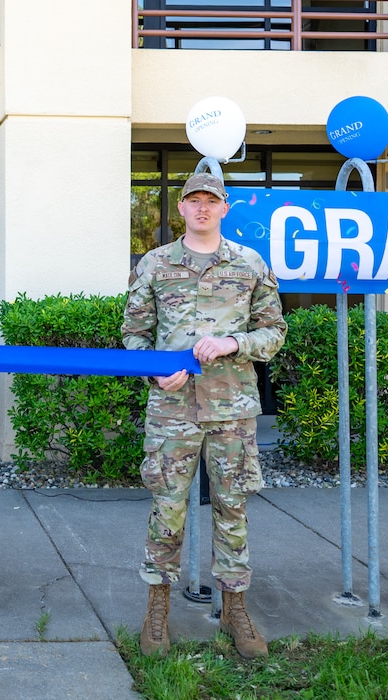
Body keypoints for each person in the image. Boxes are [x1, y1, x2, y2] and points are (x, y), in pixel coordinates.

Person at [121, 172, 286, 659]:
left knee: (233, 510)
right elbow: (133, 336)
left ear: (224, 208)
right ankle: (157, 611)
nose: (201, 208)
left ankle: (234, 609)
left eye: (210, 201)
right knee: (166, 511)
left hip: (231, 409)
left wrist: (234, 342)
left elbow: (274, 333)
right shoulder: (154, 264)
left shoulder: (249, 263)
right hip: (172, 410)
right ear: (182, 209)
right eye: (193, 200)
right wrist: (154, 373)